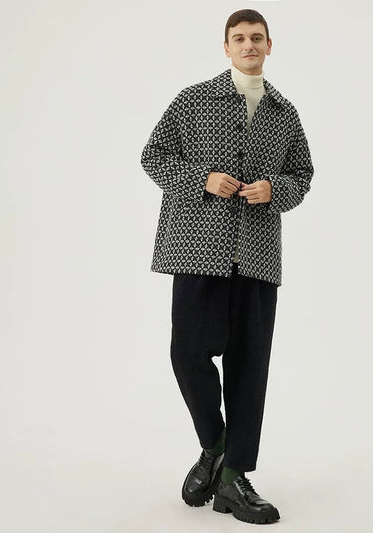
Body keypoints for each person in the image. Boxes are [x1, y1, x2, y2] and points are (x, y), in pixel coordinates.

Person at [140, 8, 313, 525]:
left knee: (249, 367)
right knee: (188, 353)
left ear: (269, 45)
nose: (248, 45)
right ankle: (214, 447)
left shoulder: (284, 113)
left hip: (256, 255)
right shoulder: (193, 100)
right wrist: (202, 179)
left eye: (257, 37)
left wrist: (275, 189)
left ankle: (235, 478)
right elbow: (153, 155)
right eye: (239, 38)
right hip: (197, 249)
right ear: (226, 47)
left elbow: (302, 173)